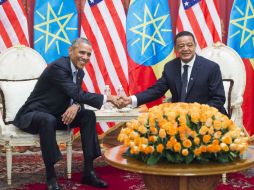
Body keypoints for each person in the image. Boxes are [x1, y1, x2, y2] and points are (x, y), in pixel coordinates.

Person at [13, 38, 119, 189]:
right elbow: (78, 93)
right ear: (71, 51)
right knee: (47, 119)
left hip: (55, 115)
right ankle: (51, 179)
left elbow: (77, 96)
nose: (85, 57)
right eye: (82, 52)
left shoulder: (79, 71)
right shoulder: (59, 67)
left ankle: (89, 172)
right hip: (32, 115)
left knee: (88, 116)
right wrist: (108, 98)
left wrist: (76, 105)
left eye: (89, 54)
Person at [119, 31, 227, 115]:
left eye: (189, 45)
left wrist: (196, 113)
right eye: (181, 46)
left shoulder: (211, 67)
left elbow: (218, 98)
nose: (186, 49)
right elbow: (156, 90)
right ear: (175, 48)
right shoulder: (170, 67)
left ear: (195, 46)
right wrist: (131, 100)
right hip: (178, 119)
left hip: (207, 118)